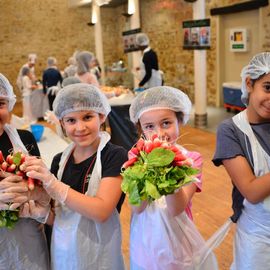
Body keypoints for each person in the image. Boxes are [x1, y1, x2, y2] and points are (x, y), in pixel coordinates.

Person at [23, 83, 127, 270]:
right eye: (71, 120)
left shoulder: (115, 155)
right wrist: (43, 213)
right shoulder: (59, 161)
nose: (80, 127)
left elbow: (101, 211)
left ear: (101, 115)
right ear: (61, 122)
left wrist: (54, 185)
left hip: (99, 254)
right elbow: (61, 216)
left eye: (87, 117)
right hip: (65, 255)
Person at [128, 86, 218, 269]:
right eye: (149, 126)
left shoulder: (192, 160)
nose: (160, 133)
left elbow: (176, 208)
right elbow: (137, 208)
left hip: (178, 238)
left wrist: (170, 166)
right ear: (142, 130)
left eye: (166, 123)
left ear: (180, 121)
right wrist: (145, 165)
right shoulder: (135, 156)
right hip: (146, 238)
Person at [212, 52, 270, 269]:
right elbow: (252, 191)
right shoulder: (231, 131)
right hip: (258, 235)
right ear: (249, 83)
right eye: (268, 87)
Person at [0, 73, 50, 269]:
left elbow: (44, 186)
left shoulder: (25, 139)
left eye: (0, 104)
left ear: (10, 104)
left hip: (28, 238)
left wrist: (35, 192)